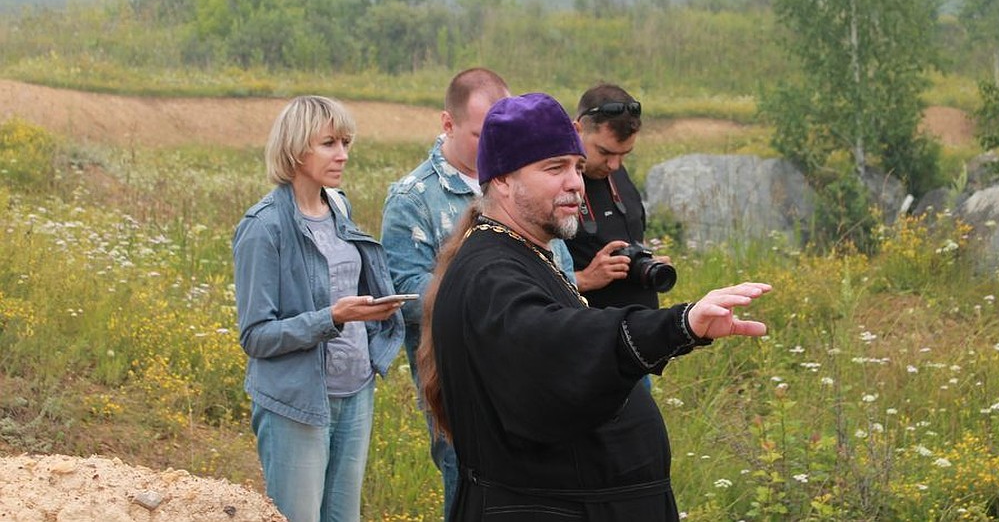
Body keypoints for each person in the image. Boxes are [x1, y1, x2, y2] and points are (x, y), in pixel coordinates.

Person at [417, 92, 770, 521]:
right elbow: (560, 343)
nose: (576, 184)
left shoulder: (517, 254)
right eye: (555, 168)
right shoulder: (490, 272)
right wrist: (679, 325)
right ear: (504, 179)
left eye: (578, 167)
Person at [379, 68, 574, 519]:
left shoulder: (529, 183)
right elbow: (405, 293)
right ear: (447, 124)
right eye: (480, 133)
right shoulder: (414, 198)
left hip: (535, 374)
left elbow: (559, 272)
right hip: (461, 383)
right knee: (471, 490)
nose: (493, 145)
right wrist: (492, 301)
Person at [233, 95, 405, 522]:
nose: (343, 154)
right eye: (329, 143)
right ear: (295, 147)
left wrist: (373, 310)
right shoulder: (263, 227)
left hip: (356, 391)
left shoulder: (339, 207)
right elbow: (255, 336)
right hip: (297, 401)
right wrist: (333, 317)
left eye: (346, 142)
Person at [568, 83, 668, 309]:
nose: (614, 165)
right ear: (577, 130)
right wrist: (584, 279)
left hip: (640, 327)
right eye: (605, 152)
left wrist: (645, 262)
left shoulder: (616, 171)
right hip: (587, 329)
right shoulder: (550, 183)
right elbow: (529, 277)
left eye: (624, 155)